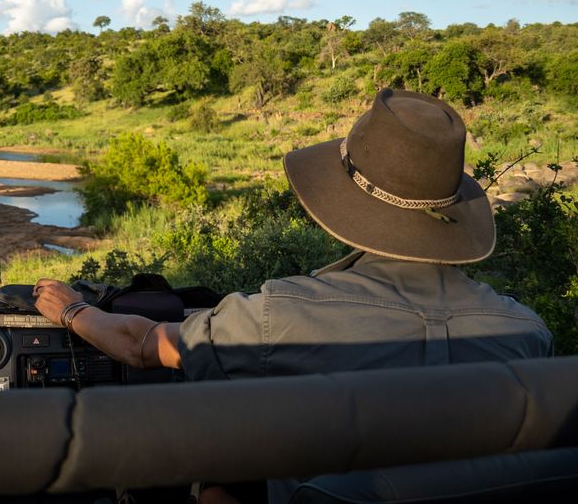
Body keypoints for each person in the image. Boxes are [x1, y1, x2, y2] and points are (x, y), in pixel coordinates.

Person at [33, 88, 553, 502]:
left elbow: (141, 345)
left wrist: (72, 309)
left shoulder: (280, 315)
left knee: (217, 478)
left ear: (346, 207)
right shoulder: (527, 332)